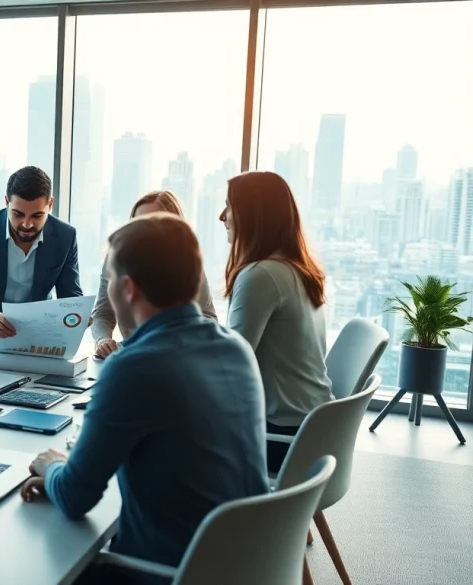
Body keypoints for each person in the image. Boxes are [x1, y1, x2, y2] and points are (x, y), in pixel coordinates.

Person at [21, 213, 268, 585]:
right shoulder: (236, 348)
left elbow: (74, 498)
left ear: (128, 288)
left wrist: (53, 466)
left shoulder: (135, 368)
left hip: (168, 573)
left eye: (110, 280)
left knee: (34, 562)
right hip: (246, 564)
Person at [221, 170, 333, 473]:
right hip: (314, 432)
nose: (222, 216)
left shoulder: (260, 275)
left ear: (252, 216)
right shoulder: (299, 269)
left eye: (229, 206)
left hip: (282, 440)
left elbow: (232, 362)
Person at [0, 166, 82, 339]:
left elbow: (70, 296)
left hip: (33, 336)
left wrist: (79, 313)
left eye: (37, 216)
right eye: (18, 214)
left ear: (50, 205)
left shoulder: (65, 236)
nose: (27, 224)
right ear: (6, 202)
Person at [91, 190, 218, 358]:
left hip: (177, 356)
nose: (144, 233)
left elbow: (208, 317)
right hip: (133, 355)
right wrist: (102, 340)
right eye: (138, 223)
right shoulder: (116, 259)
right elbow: (103, 313)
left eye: (152, 223)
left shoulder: (186, 263)